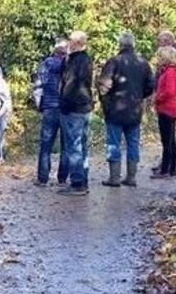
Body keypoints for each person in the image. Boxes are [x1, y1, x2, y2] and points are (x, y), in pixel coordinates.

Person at [98, 32, 155, 187]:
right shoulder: (143, 63)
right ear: (133, 45)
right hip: (135, 110)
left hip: (115, 110)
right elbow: (151, 85)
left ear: (120, 45)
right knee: (133, 143)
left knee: (113, 143)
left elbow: (104, 85)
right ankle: (131, 177)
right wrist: (140, 96)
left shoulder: (114, 62)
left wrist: (105, 102)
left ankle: (114, 177)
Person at [58, 31, 94, 196]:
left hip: (73, 107)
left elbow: (70, 84)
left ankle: (77, 183)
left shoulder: (75, 61)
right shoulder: (87, 59)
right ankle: (83, 180)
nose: (68, 44)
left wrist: (64, 104)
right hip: (85, 106)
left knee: (74, 146)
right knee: (82, 145)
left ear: (76, 43)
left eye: (70, 41)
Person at [32, 39, 69, 186]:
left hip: (49, 108)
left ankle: (42, 178)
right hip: (66, 109)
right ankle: (62, 178)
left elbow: (38, 85)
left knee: (46, 145)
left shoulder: (47, 63)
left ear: (54, 51)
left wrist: (39, 105)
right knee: (66, 146)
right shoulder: (70, 65)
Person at [152, 46, 176, 179]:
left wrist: (158, 98)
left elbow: (169, 91)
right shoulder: (175, 71)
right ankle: (172, 169)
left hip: (166, 108)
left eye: (160, 56)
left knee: (167, 141)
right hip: (171, 107)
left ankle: (166, 170)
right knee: (170, 140)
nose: (158, 59)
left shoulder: (170, 72)